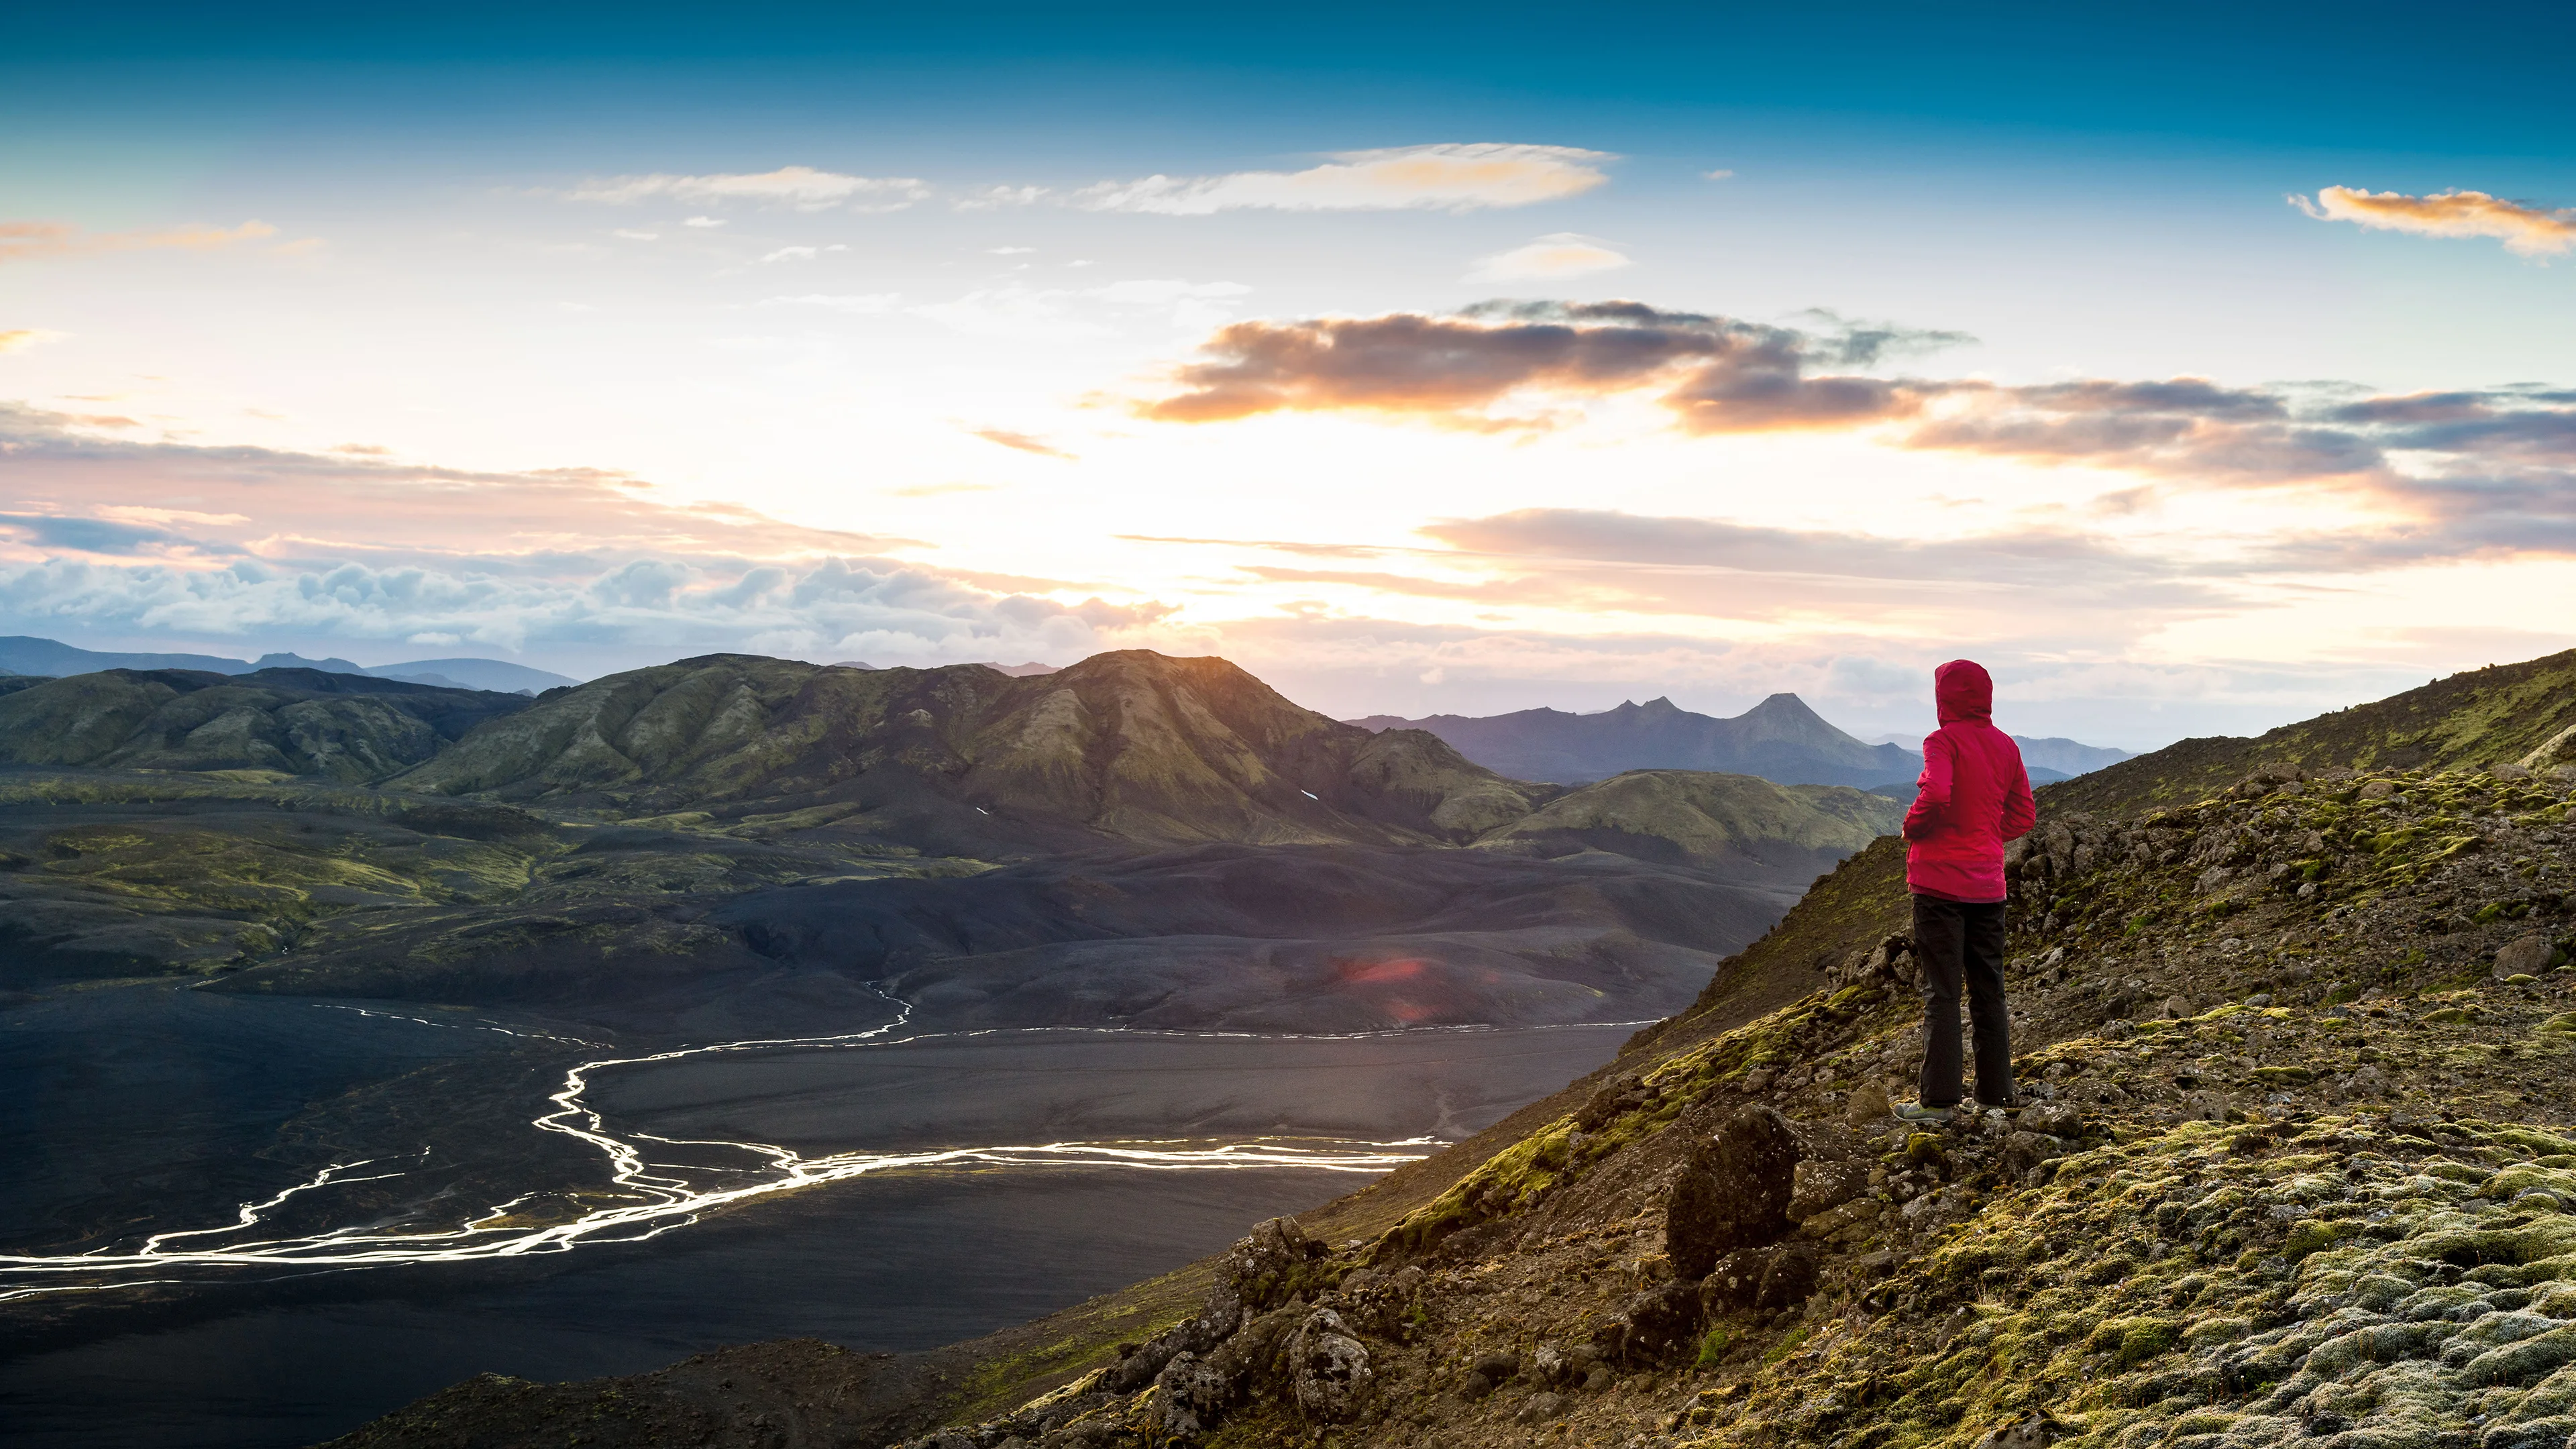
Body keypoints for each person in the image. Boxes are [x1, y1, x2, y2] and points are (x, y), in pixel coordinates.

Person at [1896, 659, 2036, 1123]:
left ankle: (1939, 1103)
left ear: (1944, 697)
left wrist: (1915, 826)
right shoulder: (2005, 746)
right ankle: (1997, 1096)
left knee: (1941, 993)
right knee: (1988, 990)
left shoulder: (1943, 741)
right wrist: (1986, 835)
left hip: (1938, 885)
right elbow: (2024, 816)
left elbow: (1936, 793)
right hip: (1988, 887)